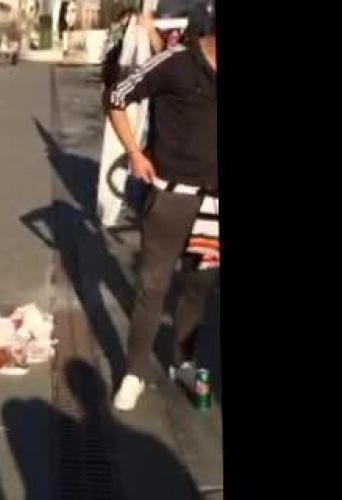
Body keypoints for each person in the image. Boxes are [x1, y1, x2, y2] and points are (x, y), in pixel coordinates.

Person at [107, 0, 218, 411]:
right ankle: (134, 372)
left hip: (213, 206)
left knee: (198, 286)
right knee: (153, 286)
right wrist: (135, 154)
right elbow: (117, 96)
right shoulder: (176, 62)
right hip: (170, 196)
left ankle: (182, 362)